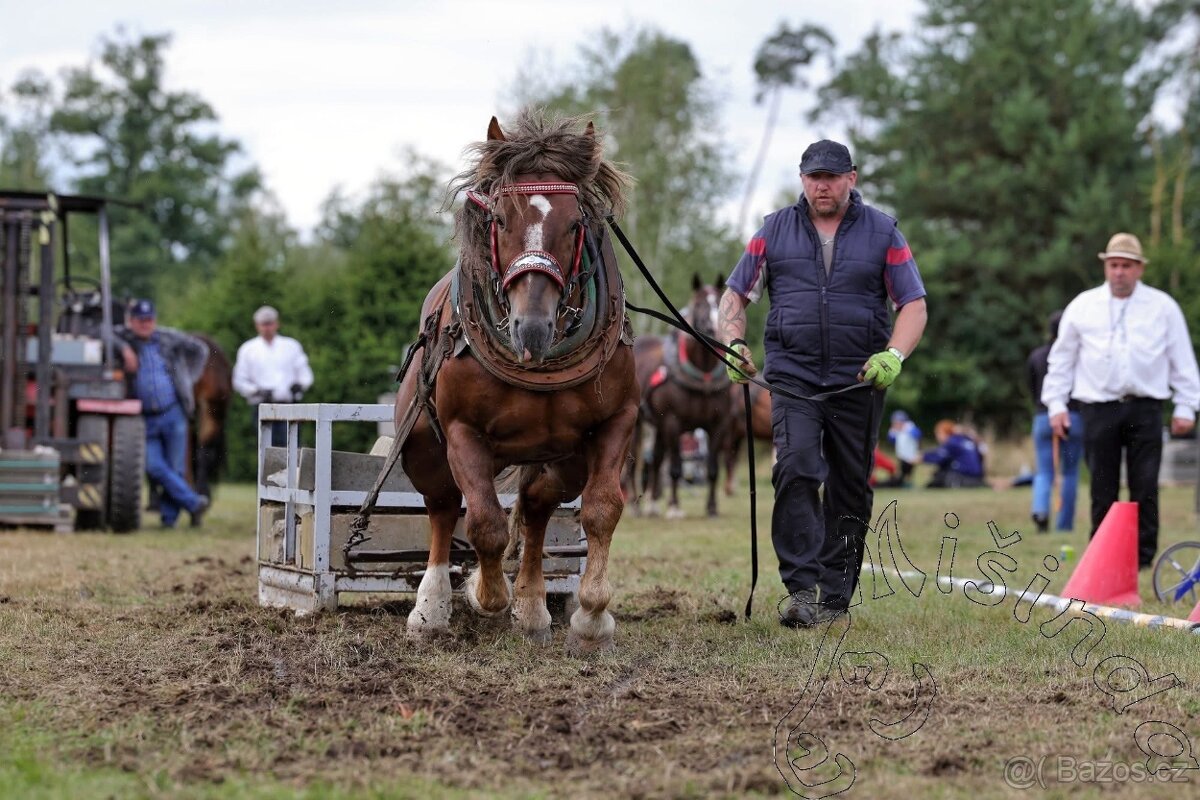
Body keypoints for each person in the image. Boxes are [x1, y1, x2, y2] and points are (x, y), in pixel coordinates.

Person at [718, 139, 928, 628]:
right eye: (814, 177)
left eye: (832, 176)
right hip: (793, 377)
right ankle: (801, 590)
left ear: (851, 177)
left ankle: (836, 596)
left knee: (850, 487)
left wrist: (894, 354)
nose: (822, 185)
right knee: (795, 468)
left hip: (859, 379)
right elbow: (735, 294)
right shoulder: (773, 230)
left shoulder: (884, 232)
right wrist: (732, 341)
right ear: (802, 179)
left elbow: (913, 304)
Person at [1042, 232, 1200, 569]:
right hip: (1098, 407)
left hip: (1146, 406)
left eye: (1126, 266)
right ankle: (1104, 554)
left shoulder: (1163, 307)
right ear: (1105, 267)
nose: (1119, 272)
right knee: (1102, 486)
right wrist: (1055, 405)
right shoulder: (1083, 306)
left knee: (1145, 485)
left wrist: (1187, 404)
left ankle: (1142, 558)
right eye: (1114, 265)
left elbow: (1182, 359)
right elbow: (1062, 358)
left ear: (1139, 268)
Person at [114, 299, 211, 528]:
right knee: (153, 466)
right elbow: (104, 332)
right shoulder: (125, 338)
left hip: (173, 412)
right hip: (143, 417)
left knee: (175, 467)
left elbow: (201, 350)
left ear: (154, 320)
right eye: (140, 321)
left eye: (149, 320)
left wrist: (188, 378)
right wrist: (124, 348)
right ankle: (193, 503)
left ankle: (169, 520)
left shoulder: (168, 338)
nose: (145, 325)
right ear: (131, 322)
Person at [1027, 309, 1083, 533]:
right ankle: (1064, 524)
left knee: (1044, 470)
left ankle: (1040, 510)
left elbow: (1032, 388)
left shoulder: (1037, 356)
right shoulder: (1078, 357)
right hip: (1074, 417)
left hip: (1043, 416)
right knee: (1069, 472)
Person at [232, 305, 314, 447]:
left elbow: (305, 373)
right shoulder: (248, 349)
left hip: (290, 406)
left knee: (292, 447)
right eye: (263, 324)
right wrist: (256, 391)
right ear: (257, 326)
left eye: (269, 323)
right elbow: (239, 380)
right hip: (263, 406)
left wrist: (300, 385)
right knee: (268, 450)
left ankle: (294, 470)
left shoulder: (291, 346)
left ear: (276, 323)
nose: (267, 328)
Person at [922, 420, 985, 488]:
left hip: (963, 476)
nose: (937, 437)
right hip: (978, 477)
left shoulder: (952, 442)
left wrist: (923, 457)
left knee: (939, 477)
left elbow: (939, 457)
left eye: (938, 433)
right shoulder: (966, 440)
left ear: (945, 433)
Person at [880, 410, 921, 487]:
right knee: (902, 470)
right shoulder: (895, 430)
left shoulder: (910, 428)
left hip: (911, 455)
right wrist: (893, 431)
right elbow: (891, 439)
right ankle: (903, 482)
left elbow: (917, 435)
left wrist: (907, 431)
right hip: (901, 455)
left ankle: (908, 483)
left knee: (909, 470)